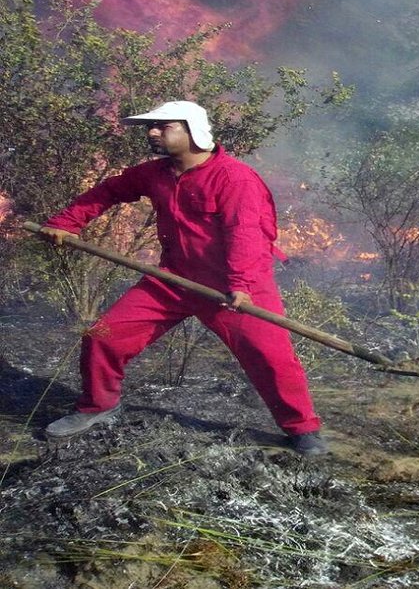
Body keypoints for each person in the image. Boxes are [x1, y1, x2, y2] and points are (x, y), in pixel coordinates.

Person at [39, 100, 328, 456]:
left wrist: (240, 285)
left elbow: (247, 234)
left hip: (234, 286)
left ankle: (302, 429)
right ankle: (98, 407)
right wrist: (66, 223)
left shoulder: (234, 178)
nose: (153, 133)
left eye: (163, 126)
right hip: (173, 279)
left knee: (271, 357)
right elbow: (109, 191)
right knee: (103, 337)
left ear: (193, 130)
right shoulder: (156, 173)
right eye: (151, 127)